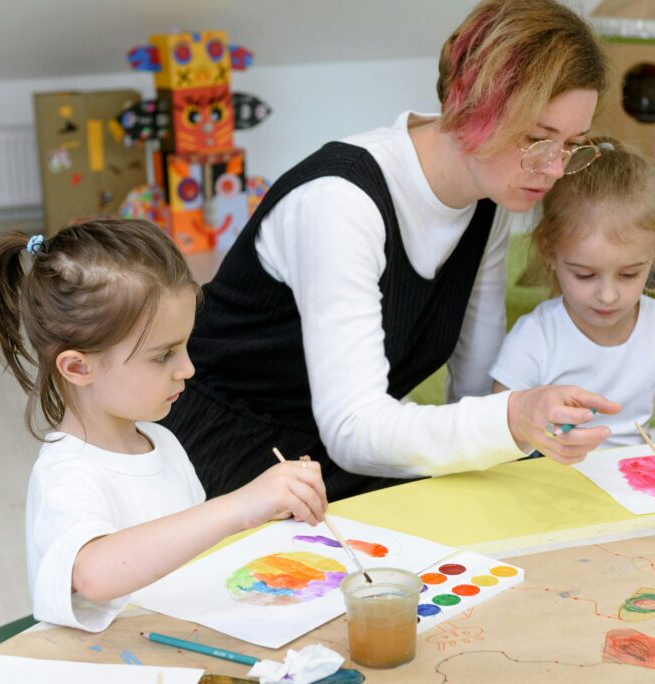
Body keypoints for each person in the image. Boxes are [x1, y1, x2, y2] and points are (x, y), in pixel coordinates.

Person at [163, 0, 622, 501]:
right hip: (227, 453)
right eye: (537, 140)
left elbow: (472, 385)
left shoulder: (490, 196)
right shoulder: (340, 202)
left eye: (573, 144)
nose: (555, 170)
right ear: (472, 106)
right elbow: (355, 430)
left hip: (334, 455)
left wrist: (516, 428)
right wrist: (510, 419)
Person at [0, 219, 328, 632]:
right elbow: (94, 574)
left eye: (185, 346)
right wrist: (239, 506)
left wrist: (271, 510)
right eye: (163, 356)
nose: (188, 368)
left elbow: (188, 550)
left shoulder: (161, 441)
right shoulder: (66, 471)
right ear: (78, 367)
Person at [491, 136, 655, 448]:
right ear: (549, 250)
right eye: (584, 275)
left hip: (633, 486)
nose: (608, 296)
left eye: (629, 274)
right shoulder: (534, 337)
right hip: (550, 485)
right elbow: (498, 443)